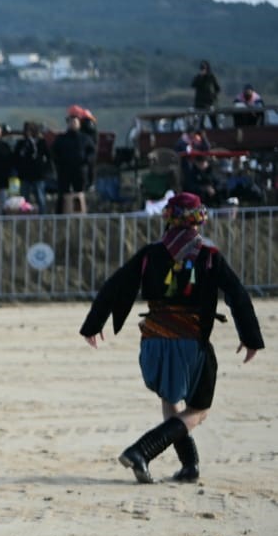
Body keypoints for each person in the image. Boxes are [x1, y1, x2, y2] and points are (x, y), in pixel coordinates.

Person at [80, 193, 263, 483]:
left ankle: (189, 466)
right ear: (199, 219)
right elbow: (237, 294)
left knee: (170, 399)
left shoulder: (150, 253)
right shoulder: (209, 255)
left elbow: (114, 285)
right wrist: (251, 337)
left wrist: (93, 324)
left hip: (153, 341)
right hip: (191, 342)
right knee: (199, 410)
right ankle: (142, 450)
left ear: (168, 218)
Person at [51, 115, 94, 214]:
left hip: (80, 170)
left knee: (79, 193)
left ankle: (80, 213)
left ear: (79, 124)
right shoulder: (61, 138)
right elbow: (54, 151)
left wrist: (86, 160)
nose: (73, 124)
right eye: (71, 122)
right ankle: (60, 214)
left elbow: (92, 152)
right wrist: (59, 162)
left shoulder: (85, 138)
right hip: (65, 170)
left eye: (75, 122)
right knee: (63, 193)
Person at [14, 121, 52, 214]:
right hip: (24, 175)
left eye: (31, 130)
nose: (28, 133)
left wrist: (45, 170)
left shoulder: (41, 143)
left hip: (38, 174)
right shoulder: (21, 143)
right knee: (24, 198)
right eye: (27, 130)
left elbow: (48, 157)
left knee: (40, 197)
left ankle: (42, 216)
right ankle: (25, 216)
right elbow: (16, 157)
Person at [191, 61, 221, 128]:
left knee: (213, 121)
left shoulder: (211, 77)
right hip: (200, 103)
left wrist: (213, 96)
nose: (203, 70)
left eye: (204, 68)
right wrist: (200, 77)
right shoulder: (198, 77)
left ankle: (216, 133)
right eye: (201, 69)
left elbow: (218, 88)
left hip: (210, 103)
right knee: (200, 122)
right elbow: (193, 85)